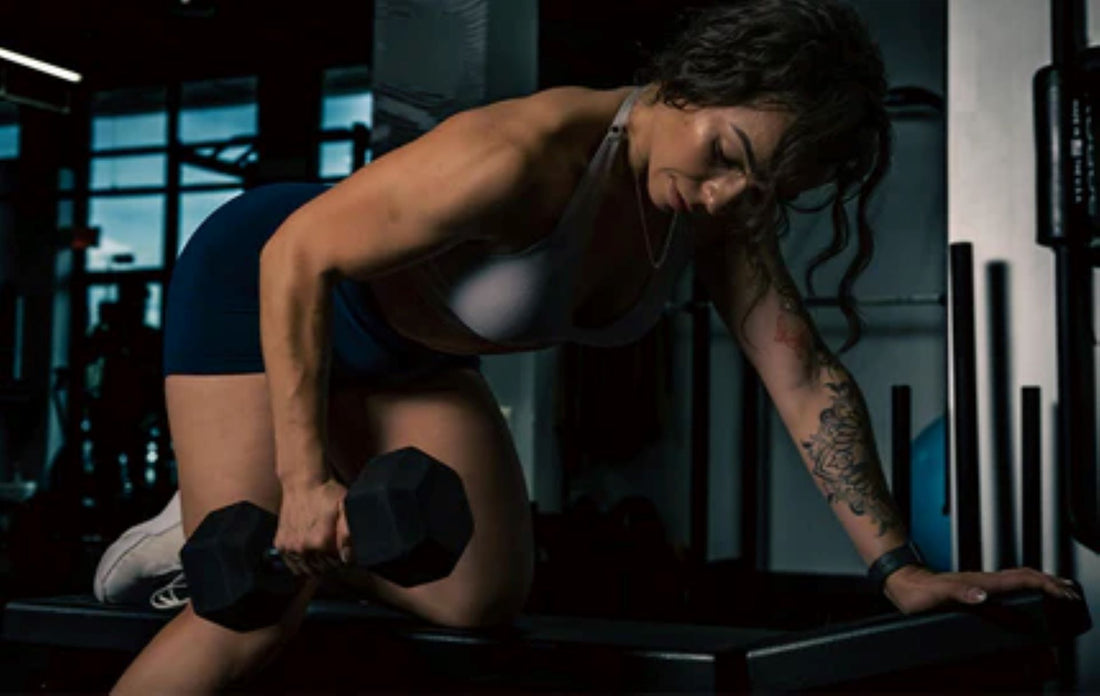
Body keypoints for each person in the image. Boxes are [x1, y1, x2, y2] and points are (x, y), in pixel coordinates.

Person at [111, 1, 1080, 692]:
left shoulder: (717, 215)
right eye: (723, 157)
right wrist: (309, 477)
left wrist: (897, 570)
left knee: (477, 595)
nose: (721, 199)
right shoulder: (523, 154)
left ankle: (237, 514)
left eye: (760, 192)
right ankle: (196, 533)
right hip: (263, 281)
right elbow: (298, 255)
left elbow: (799, 372)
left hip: (409, 347)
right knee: (246, 616)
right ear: (693, 83)